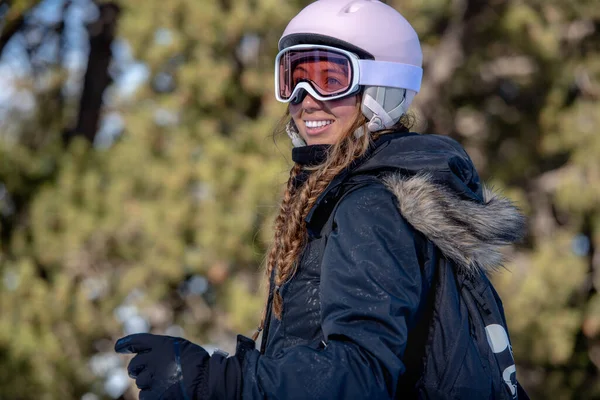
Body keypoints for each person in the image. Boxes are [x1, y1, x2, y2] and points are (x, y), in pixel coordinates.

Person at [115, 1, 530, 399]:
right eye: (292, 78)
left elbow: (360, 376)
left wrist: (215, 380)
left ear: (381, 87)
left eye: (330, 78)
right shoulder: (377, 193)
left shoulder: (372, 205)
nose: (306, 97)